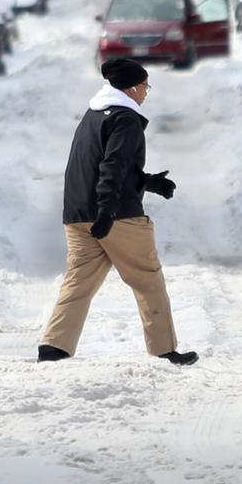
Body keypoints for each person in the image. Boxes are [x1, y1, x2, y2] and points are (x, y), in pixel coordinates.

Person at [38, 57, 197, 365]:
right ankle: (164, 349)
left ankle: (54, 346)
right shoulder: (125, 119)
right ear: (133, 88)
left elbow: (100, 166)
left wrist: (148, 183)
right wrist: (108, 212)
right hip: (115, 216)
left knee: (78, 281)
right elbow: (113, 167)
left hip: (76, 214)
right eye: (146, 86)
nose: (147, 92)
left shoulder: (93, 115)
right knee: (147, 278)